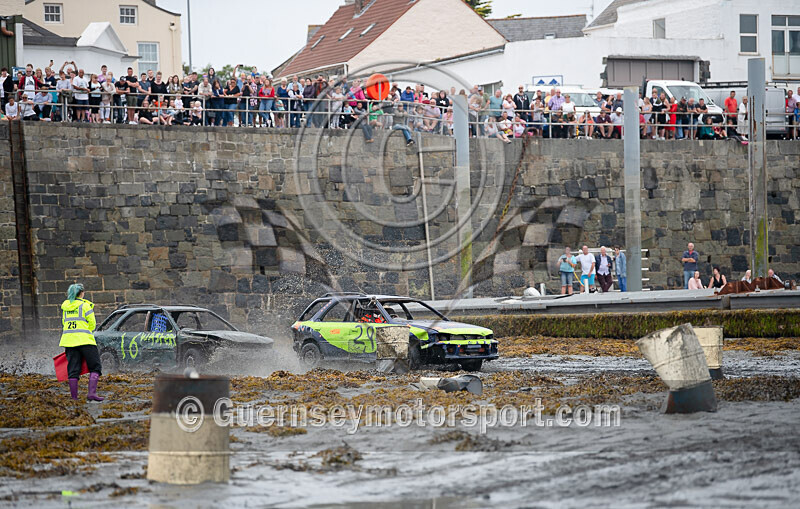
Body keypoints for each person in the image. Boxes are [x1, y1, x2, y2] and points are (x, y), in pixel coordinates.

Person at [60, 283, 104, 401]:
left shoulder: (65, 308)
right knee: (95, 367)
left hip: (69, 342)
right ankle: (91, 394)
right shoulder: (85, 306)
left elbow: (64, 323)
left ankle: (74, 397)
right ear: (81, 293)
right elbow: (92, 324)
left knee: (73, 370)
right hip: (85, 341)